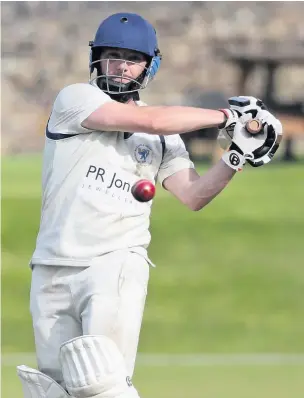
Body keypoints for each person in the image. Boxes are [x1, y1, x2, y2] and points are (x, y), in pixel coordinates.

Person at [17, 12, 282, 398]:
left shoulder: (164, 140)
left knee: (101, 385)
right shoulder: (75, 99)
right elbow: (155, 120)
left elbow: (193, 195)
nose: (121, 66)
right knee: (54, 390)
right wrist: (228, 118)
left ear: (149, 65)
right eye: (113, 55)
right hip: (52, 266)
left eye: (132, 58)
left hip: (114, 264)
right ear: (96, 58)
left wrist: (235, 156)